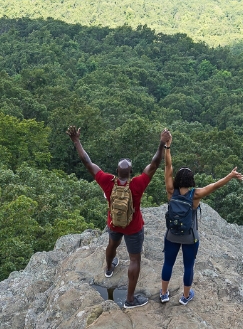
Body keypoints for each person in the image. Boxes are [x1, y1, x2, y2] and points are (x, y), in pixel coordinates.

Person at [67, 125, 171, 309]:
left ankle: (108, 269)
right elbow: (154, 164)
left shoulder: (107, 181)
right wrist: (162, 143)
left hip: (114, 224)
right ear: (130, 172)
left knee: (112, 245)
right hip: (134, 227)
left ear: (116, 171)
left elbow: (87, 162)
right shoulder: (138, 184)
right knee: (134, 260)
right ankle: (130, 300)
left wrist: (76, 141)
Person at [160, 142, 243, 305]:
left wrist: (167, 147)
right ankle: (185, 296)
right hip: (189, 237)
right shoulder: (195, 195)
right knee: (188, 266)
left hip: (171, 235)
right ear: (191, 180)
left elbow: (168, 166)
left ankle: (164, 294)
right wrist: (230, 175)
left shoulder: (171, 191)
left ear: (177, 179)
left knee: (168, 263)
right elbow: (216, 185)